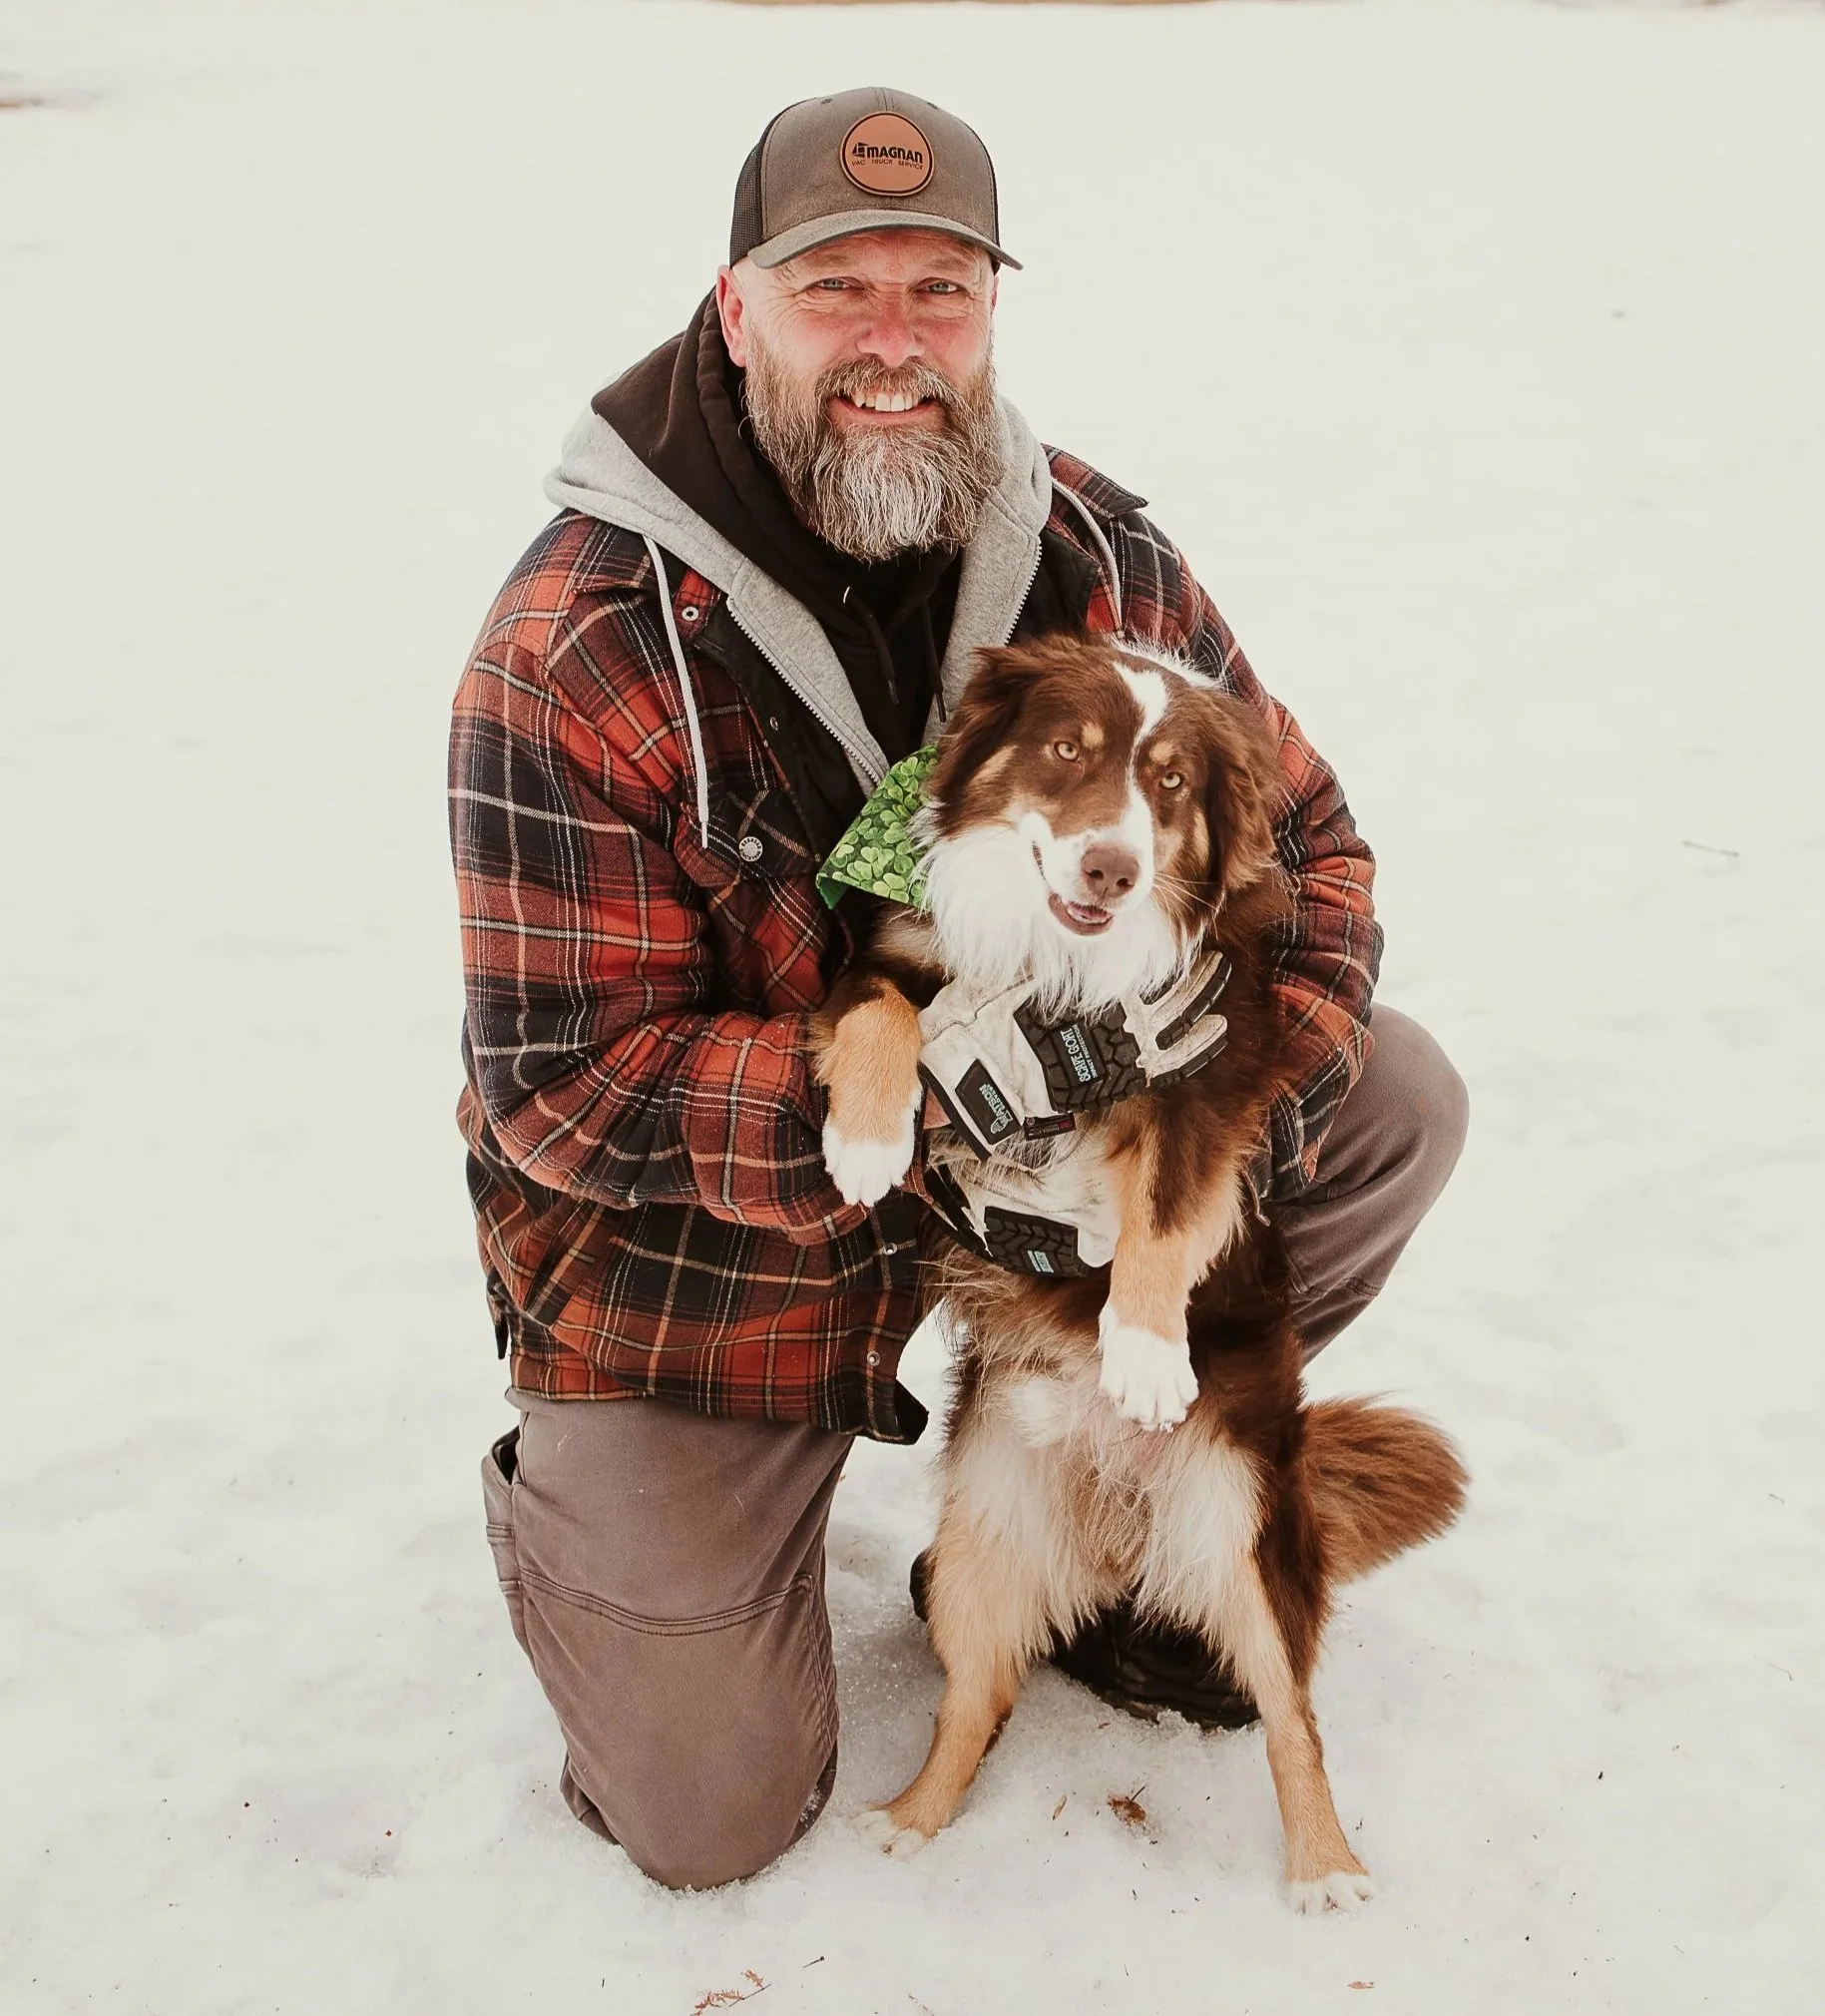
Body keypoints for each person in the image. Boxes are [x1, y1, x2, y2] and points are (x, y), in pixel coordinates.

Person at [449, 87, 1468, 1890]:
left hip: (1048, 1255)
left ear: (992, 311)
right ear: (735, 300)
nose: (895, 345)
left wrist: (1182, 1109)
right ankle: (606, 1535)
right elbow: (561, 1087)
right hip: (715, 1271)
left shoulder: (1098, 551)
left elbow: (1313, 863)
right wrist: (926, 1096)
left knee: (1389, 1092)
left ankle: (1110, 1525)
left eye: (943, 291)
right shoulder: (577, 646)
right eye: (838, 287)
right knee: (711, 1818)